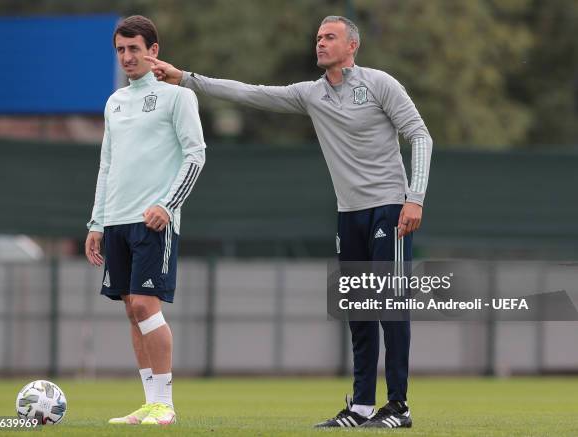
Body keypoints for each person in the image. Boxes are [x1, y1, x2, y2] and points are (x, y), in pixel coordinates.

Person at [147, 15, 432, 429]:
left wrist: (415, 199)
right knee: (358, 312)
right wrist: (186, 78)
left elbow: (420, 135)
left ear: (352, 45)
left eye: (329, 37)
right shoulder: (310, 94)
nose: (320, 43)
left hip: (390, 208)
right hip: (348, 214)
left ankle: (399, 407)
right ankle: (362, 407)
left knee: (389, 307)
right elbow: (249, 93)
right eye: (317, 37)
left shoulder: (379, 84)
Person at [85, 15, 206, 426]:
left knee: (145, 304)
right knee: (130, 310)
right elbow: (106, 165)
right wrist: (96, 223)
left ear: (153, 50)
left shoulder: (177, 97)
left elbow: (196, 156)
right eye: (120, 49)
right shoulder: (114, 102)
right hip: (116, 220)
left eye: (134, 48)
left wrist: (168, 206)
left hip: (155, 221)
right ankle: (150, 402)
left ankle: (166, 406)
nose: (126, 56)